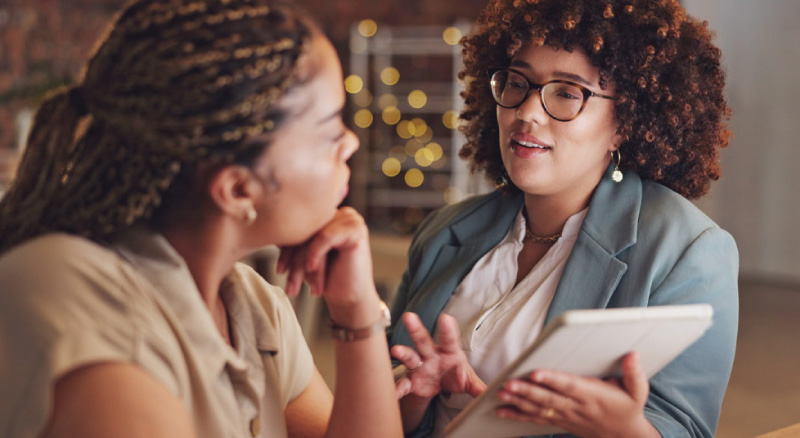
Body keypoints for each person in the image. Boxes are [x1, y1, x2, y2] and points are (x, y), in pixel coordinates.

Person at [0, 1, 402, 437]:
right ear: (236, 189)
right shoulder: (65, 288)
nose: (350, 143)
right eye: (329, 131)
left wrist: (356, 313)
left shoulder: (254, 308)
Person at [388, 0, 738, 437]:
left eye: (568, 93)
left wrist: (620, 427)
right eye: (518, 82)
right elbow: (378, 415)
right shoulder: (445, 231)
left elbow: (684, 428)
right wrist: (417, 390)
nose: (527, 112)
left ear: (624, 122)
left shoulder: (687, 250)